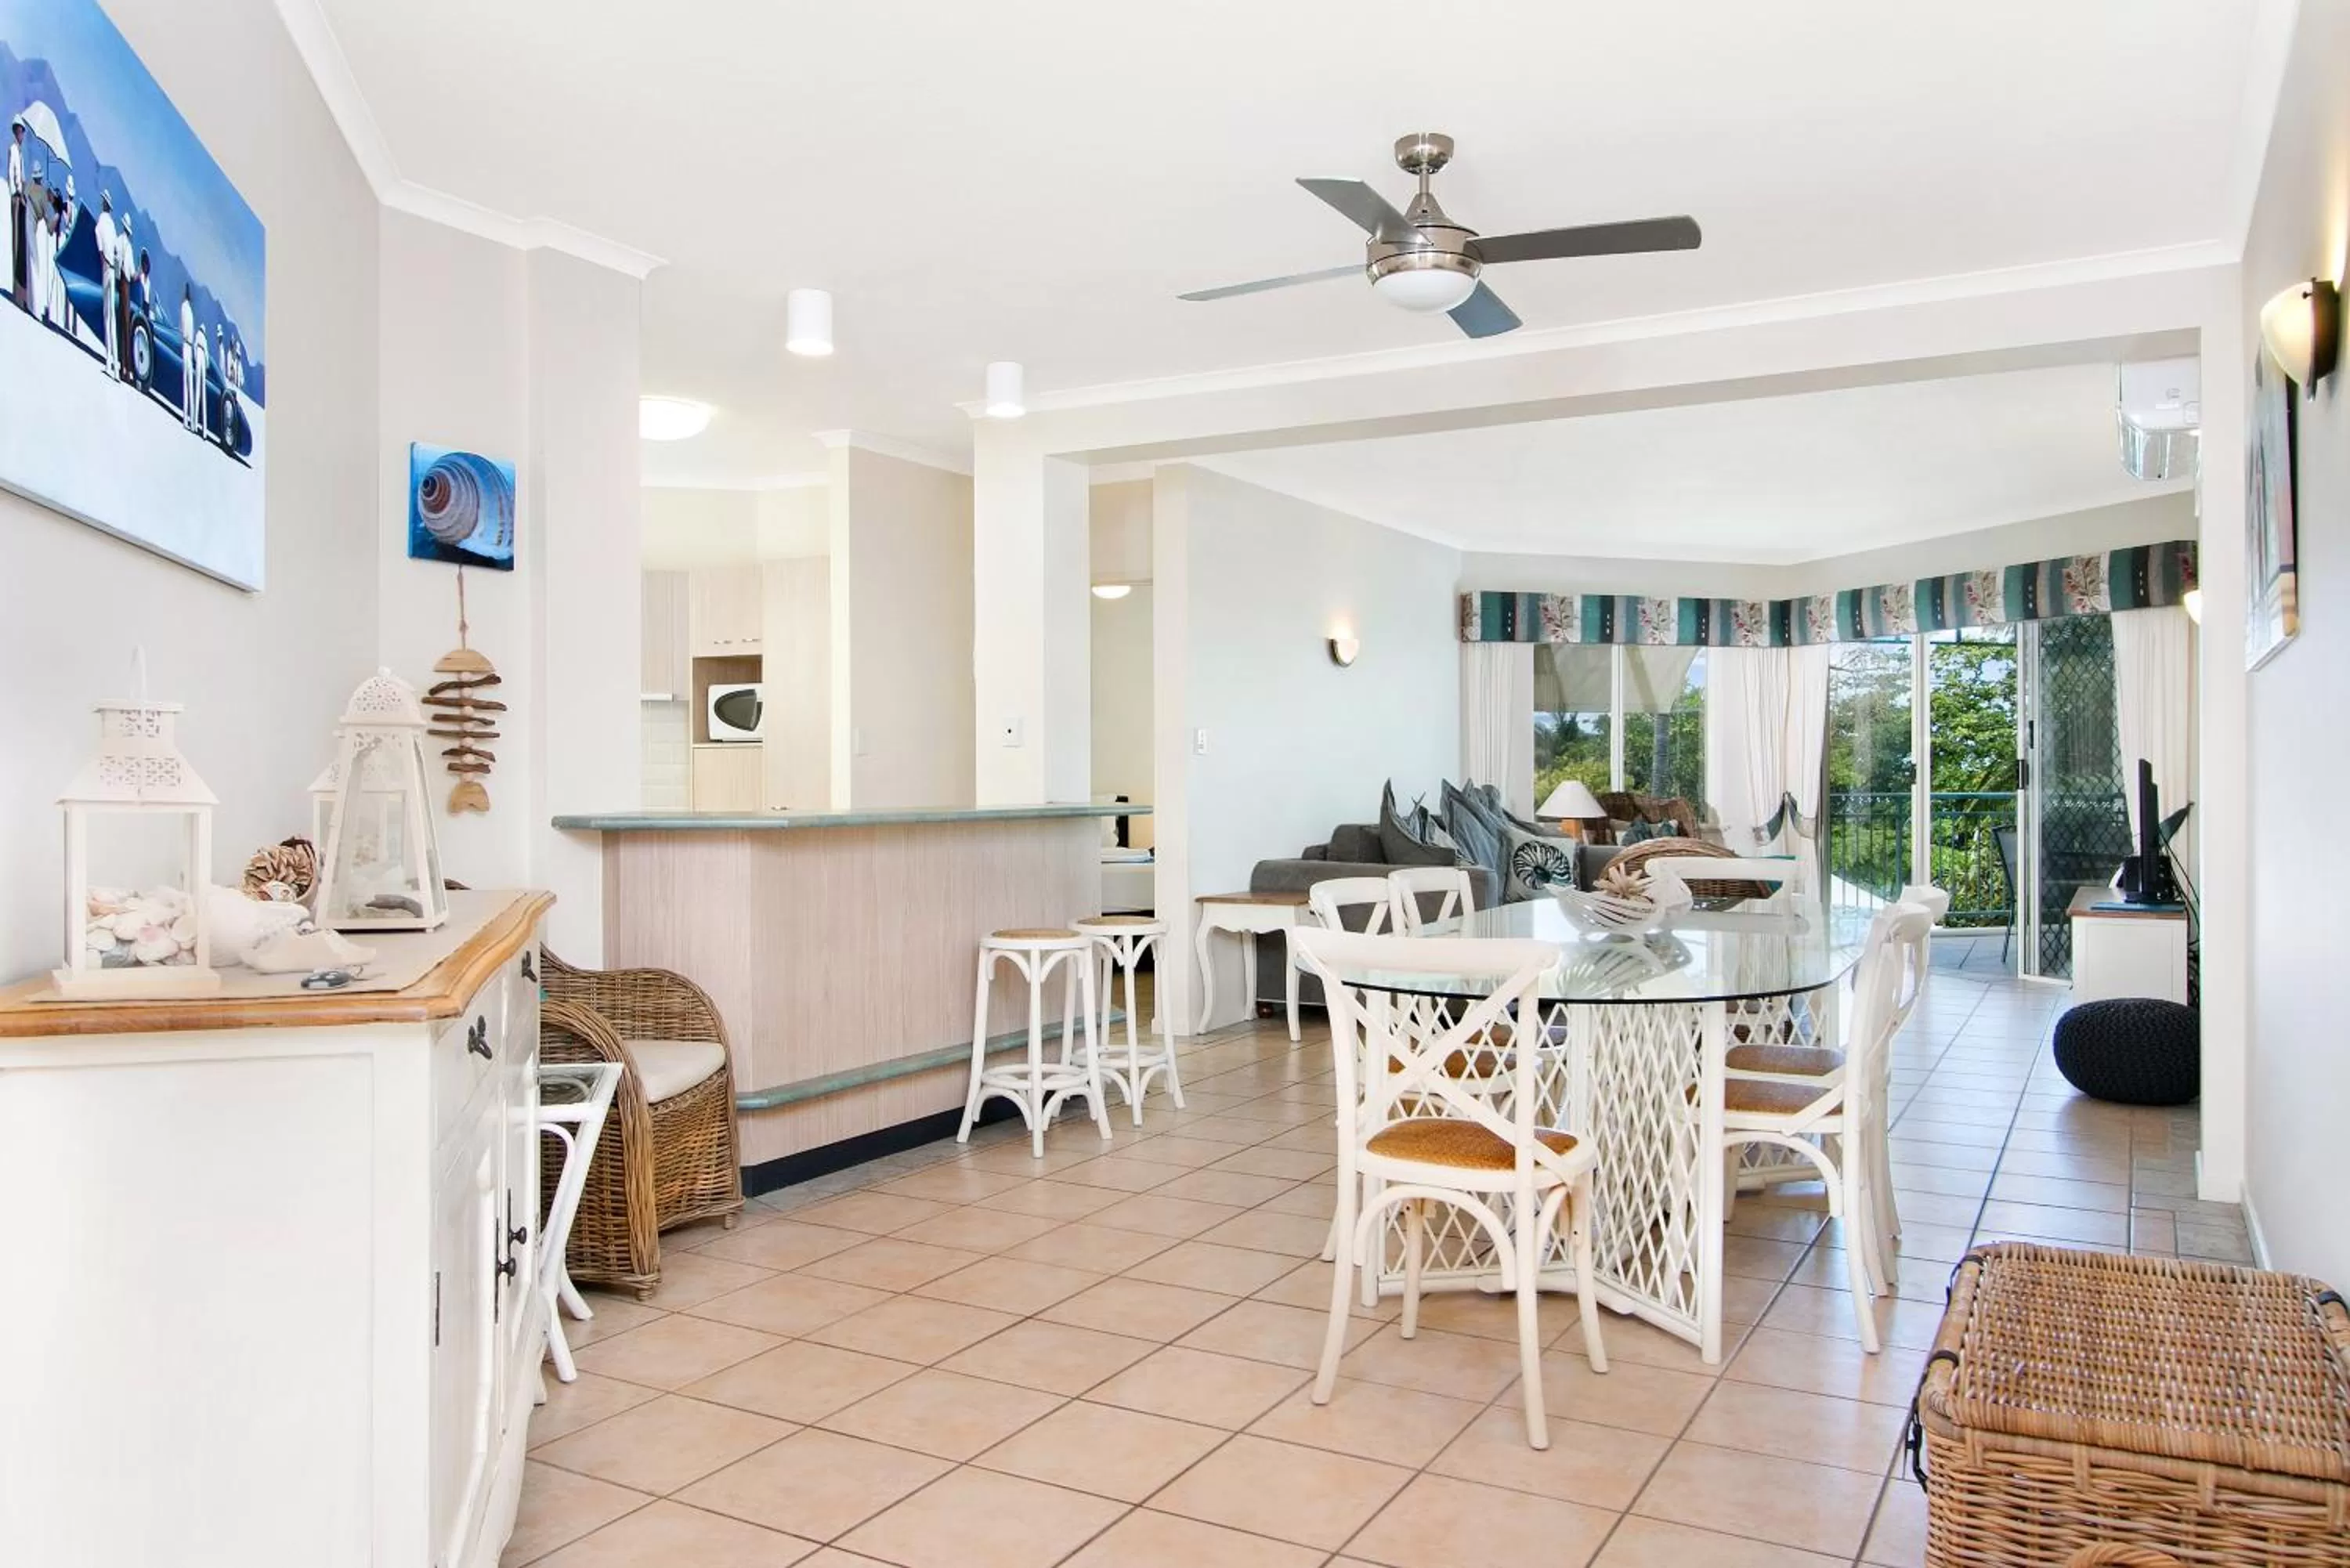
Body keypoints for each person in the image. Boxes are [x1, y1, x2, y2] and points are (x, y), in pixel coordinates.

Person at [95, 193, 118, 376]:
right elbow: (116, 252)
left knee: (107, 314)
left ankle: (109, 359)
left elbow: (100, 249)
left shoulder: (101, 224)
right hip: (113, 270)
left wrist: (104, 259)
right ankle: (114, 364)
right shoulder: (112, 225)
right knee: (112, 316)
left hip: (106, 270)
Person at [6, 124, 22, 309]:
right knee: (15, 242)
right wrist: (15, 193)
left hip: (20, 197)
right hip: (15, 197)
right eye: (20, 131)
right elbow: (11, 173)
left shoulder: (20, 151)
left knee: (19, 242)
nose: (22, 135)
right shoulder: (13, 150)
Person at [179, 286, 197, 430]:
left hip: (187, 346)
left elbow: (184, 329)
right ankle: (190, 420)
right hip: (189, 346)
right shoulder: (188, 310)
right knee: (189, 383)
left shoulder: (186, 308)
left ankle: (187, 419)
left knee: (187, 383)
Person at [191, 323, 208, 440]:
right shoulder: (203, 339)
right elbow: (206, 355)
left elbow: (195, 347)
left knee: (199, 393)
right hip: (201, 357)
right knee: (201, 394)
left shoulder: (198, 335)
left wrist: (197, 360)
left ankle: (196, 426)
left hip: (199, 356)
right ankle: (203, 431)